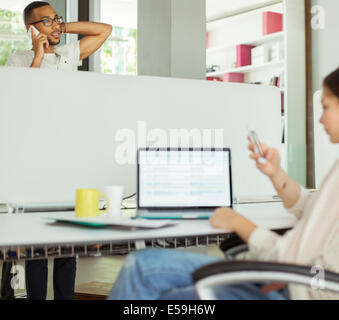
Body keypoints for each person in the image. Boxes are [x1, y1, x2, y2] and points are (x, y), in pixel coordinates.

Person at [108, 68, 339, 300]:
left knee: (142, 269)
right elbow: (313, 207)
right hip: (306, 283)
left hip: (298, 288)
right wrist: (276, 173)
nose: (320, 118)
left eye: (326, 106)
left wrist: (238, 222)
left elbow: (286, 257)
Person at [5, 1, 112, 300]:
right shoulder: (18, 59)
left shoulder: (68, 54)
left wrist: (59, 28)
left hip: (68, 158)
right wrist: (38, 56)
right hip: (35, 162)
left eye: (56, 18)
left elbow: (104, 30)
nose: (54, 24)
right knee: (38, 244)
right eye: (46, 20)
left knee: (69, 242)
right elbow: (20, 99)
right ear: (31, 27)